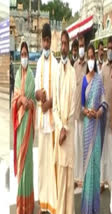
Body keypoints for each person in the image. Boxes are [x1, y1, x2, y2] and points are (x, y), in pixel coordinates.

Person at [80, 44, 108, 214]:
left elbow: (104, 102)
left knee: (95, 165)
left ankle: (95, 208)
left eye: (92, 57)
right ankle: (86, 207)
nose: (90, 60)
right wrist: (86, 111)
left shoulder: (99, 79)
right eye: (88, 57)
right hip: (87, 127)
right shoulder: (84, 80)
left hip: (96, 127)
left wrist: (98, 112)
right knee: (87, 165)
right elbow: (81, 105)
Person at [34, 23, 58, 213]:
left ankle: (52, 203)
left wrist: (49, 102)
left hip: (52, 122)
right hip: (42, 124)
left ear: (51, 41)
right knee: (42, 164)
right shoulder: (39, 63)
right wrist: (38, 96)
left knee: (52, 165)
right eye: (44, 39)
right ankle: (42, 202)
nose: (46, 43)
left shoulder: (56, 64)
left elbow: (58, 93)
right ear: (41, 41)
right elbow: (35, 89)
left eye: (48, 40)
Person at [52, 30, 76, 214]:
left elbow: (74, 106)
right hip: (60, 133)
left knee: (69, 180)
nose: (64, 46)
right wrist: (59, 127)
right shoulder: (57, 71)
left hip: (68, 133)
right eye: (62, 43)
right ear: (60, 46)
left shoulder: (73, 72)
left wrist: (65, 128)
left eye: (66, 43)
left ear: (70, 46)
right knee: (60, 177)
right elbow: (54, 107)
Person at [12, 41, 35, 214]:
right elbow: (15, 99)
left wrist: (29, 102)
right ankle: (21, 205)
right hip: (20, 126)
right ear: (20, 56)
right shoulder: (18, 75)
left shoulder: (32, 75)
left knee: (28, 163)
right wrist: (20, 100)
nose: (25, 57)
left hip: (29, 125)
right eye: (23, 54)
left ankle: (28, 206)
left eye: (27, 54)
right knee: (21, 162)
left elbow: (33, 98)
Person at [74, 33, 87, 188]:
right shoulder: (75, 65)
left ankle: (84, 177)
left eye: (84, 45)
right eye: (80, 46)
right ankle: (77, 177)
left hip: (85, 115)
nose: (82, 49)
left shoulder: (88, 66)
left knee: (84, 147)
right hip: (75, 114)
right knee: (76, 147)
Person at [100, 36, 112, 208]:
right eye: (108, 48)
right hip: (104, 121)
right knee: (105, 155)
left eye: (111, 48)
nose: (109, 51)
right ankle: (103, 181)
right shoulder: (102, 68)